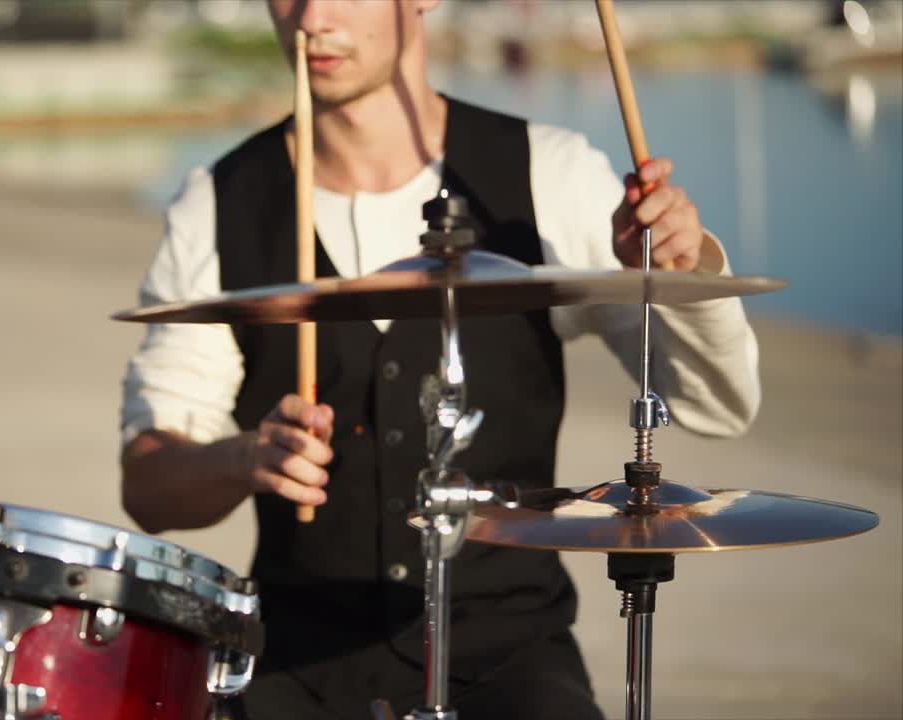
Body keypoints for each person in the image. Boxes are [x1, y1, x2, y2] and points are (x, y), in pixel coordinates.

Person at [119, 1, 759, 718]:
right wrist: (243, 458)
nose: (312, 17)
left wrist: (682, 271)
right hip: (295, 665)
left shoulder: (549, 174)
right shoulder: (217, 203)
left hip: (511, 662)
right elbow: (148, 486)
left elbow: (719, 407)